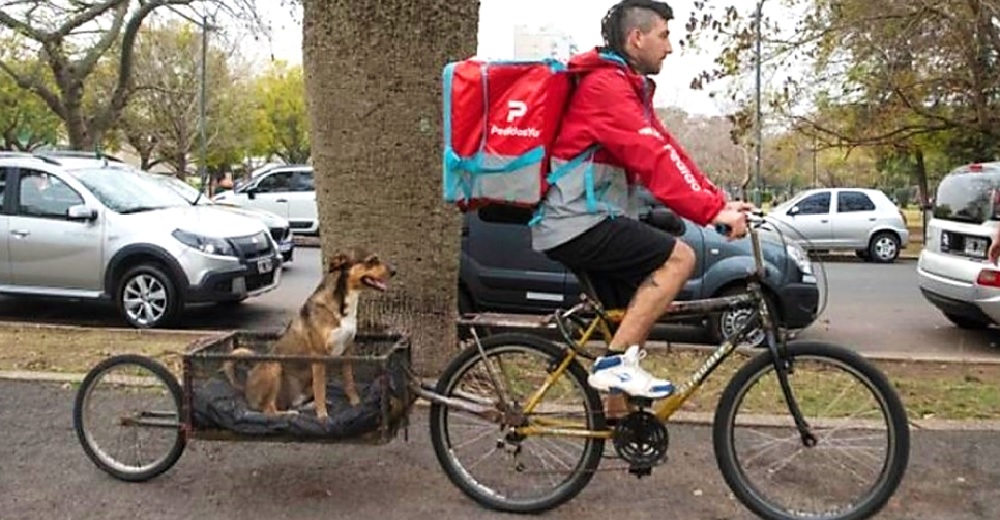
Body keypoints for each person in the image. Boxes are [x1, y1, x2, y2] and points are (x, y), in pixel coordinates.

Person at [531, 0, 753, 402]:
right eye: (664, 36)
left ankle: (622, 421)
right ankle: (615, 365)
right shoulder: (606, 87)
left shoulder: (626, 86)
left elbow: (668, 149)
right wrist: (711, 211)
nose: (669, 47)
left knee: (632, 318)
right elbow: (652, 157)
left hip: (593, 217)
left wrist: (718, 201)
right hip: (575, 222)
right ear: (637, 38)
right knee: (680, 258)